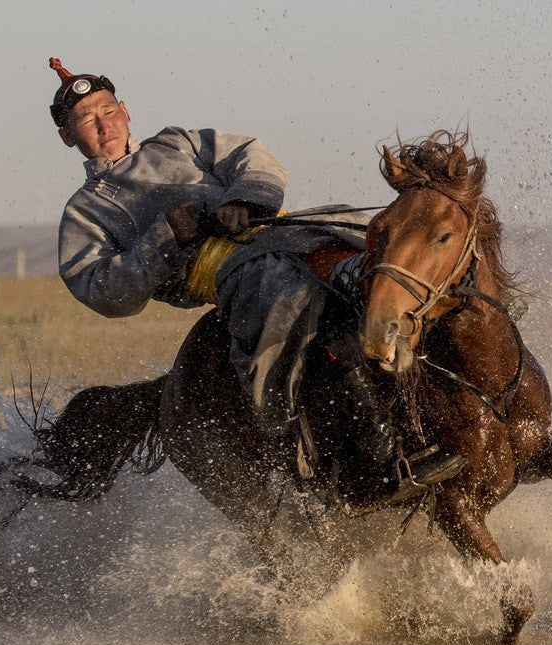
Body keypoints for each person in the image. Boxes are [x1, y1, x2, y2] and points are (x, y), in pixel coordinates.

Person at [48, 58, 457, 499]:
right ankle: (374, 466)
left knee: (394, 258)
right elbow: (103, 292)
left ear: (125, 110)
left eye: (108, 111)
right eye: (86, 121)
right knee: (297, 300)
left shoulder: (178, 141)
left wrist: (246, 199)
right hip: (228, 269)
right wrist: (165, 239)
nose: (104, 125)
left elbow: (251, 155)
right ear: (68, 137)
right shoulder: (84, 211)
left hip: (288, 230)